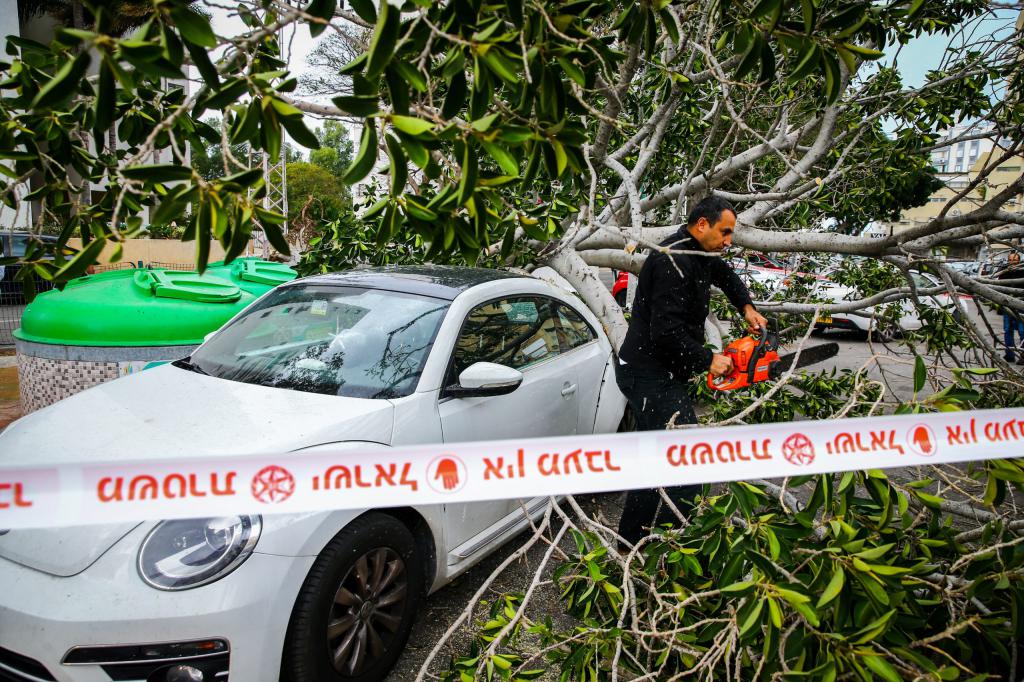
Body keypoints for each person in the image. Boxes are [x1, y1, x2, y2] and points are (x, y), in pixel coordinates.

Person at [615, 196, 767, 547]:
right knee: (687, 465)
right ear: (702, 225)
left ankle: (631, 544)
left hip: (658, 372)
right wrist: (708, 359)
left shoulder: (699, 251)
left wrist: (746, 307)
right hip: (648, 374)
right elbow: (665, 332)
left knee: (655, 461)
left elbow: (725, 275)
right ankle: (676, 549)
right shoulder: (672, 261)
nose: (728, 240)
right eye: (724, 232)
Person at [996, 251, 1024, 364]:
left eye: (1015, 260)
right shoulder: (1004, 273)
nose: (1012, 262)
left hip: (1021, 306)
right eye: (1010, 260)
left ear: (1019, 261)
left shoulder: (1022, 272)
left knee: (1022, 331)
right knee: (1008, 330)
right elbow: (998, 288)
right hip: (1007, 306)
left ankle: (1023, 356)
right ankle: (1009, 354)